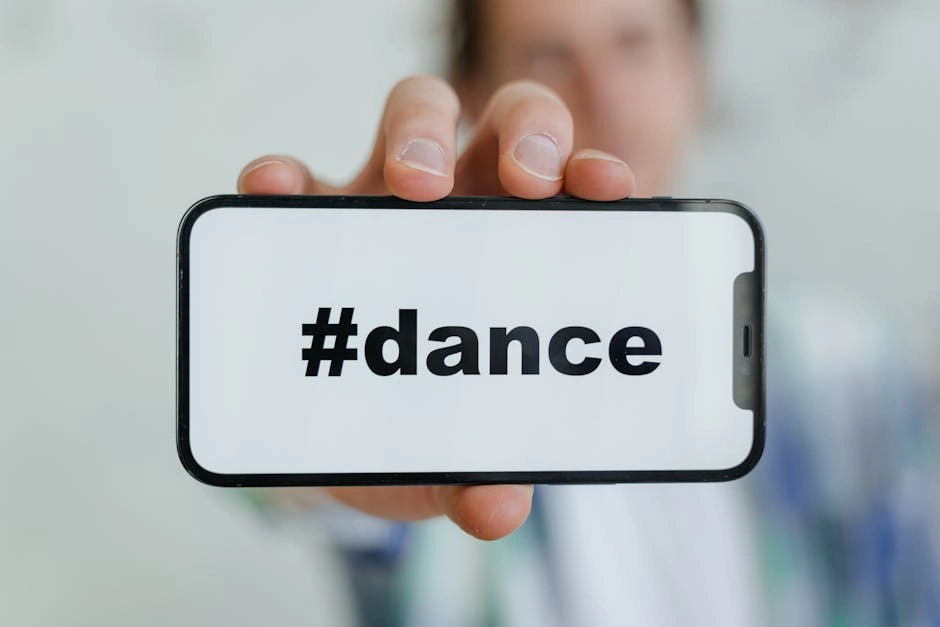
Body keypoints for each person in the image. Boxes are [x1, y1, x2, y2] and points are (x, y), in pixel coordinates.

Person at [235, 0, 940, 624]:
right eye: (549, 55)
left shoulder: (853, 367)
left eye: (634, 42)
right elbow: (291, 487)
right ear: (476, 95)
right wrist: (313, 358)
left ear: (694, 67)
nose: (604, 94)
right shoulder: (430, 379)